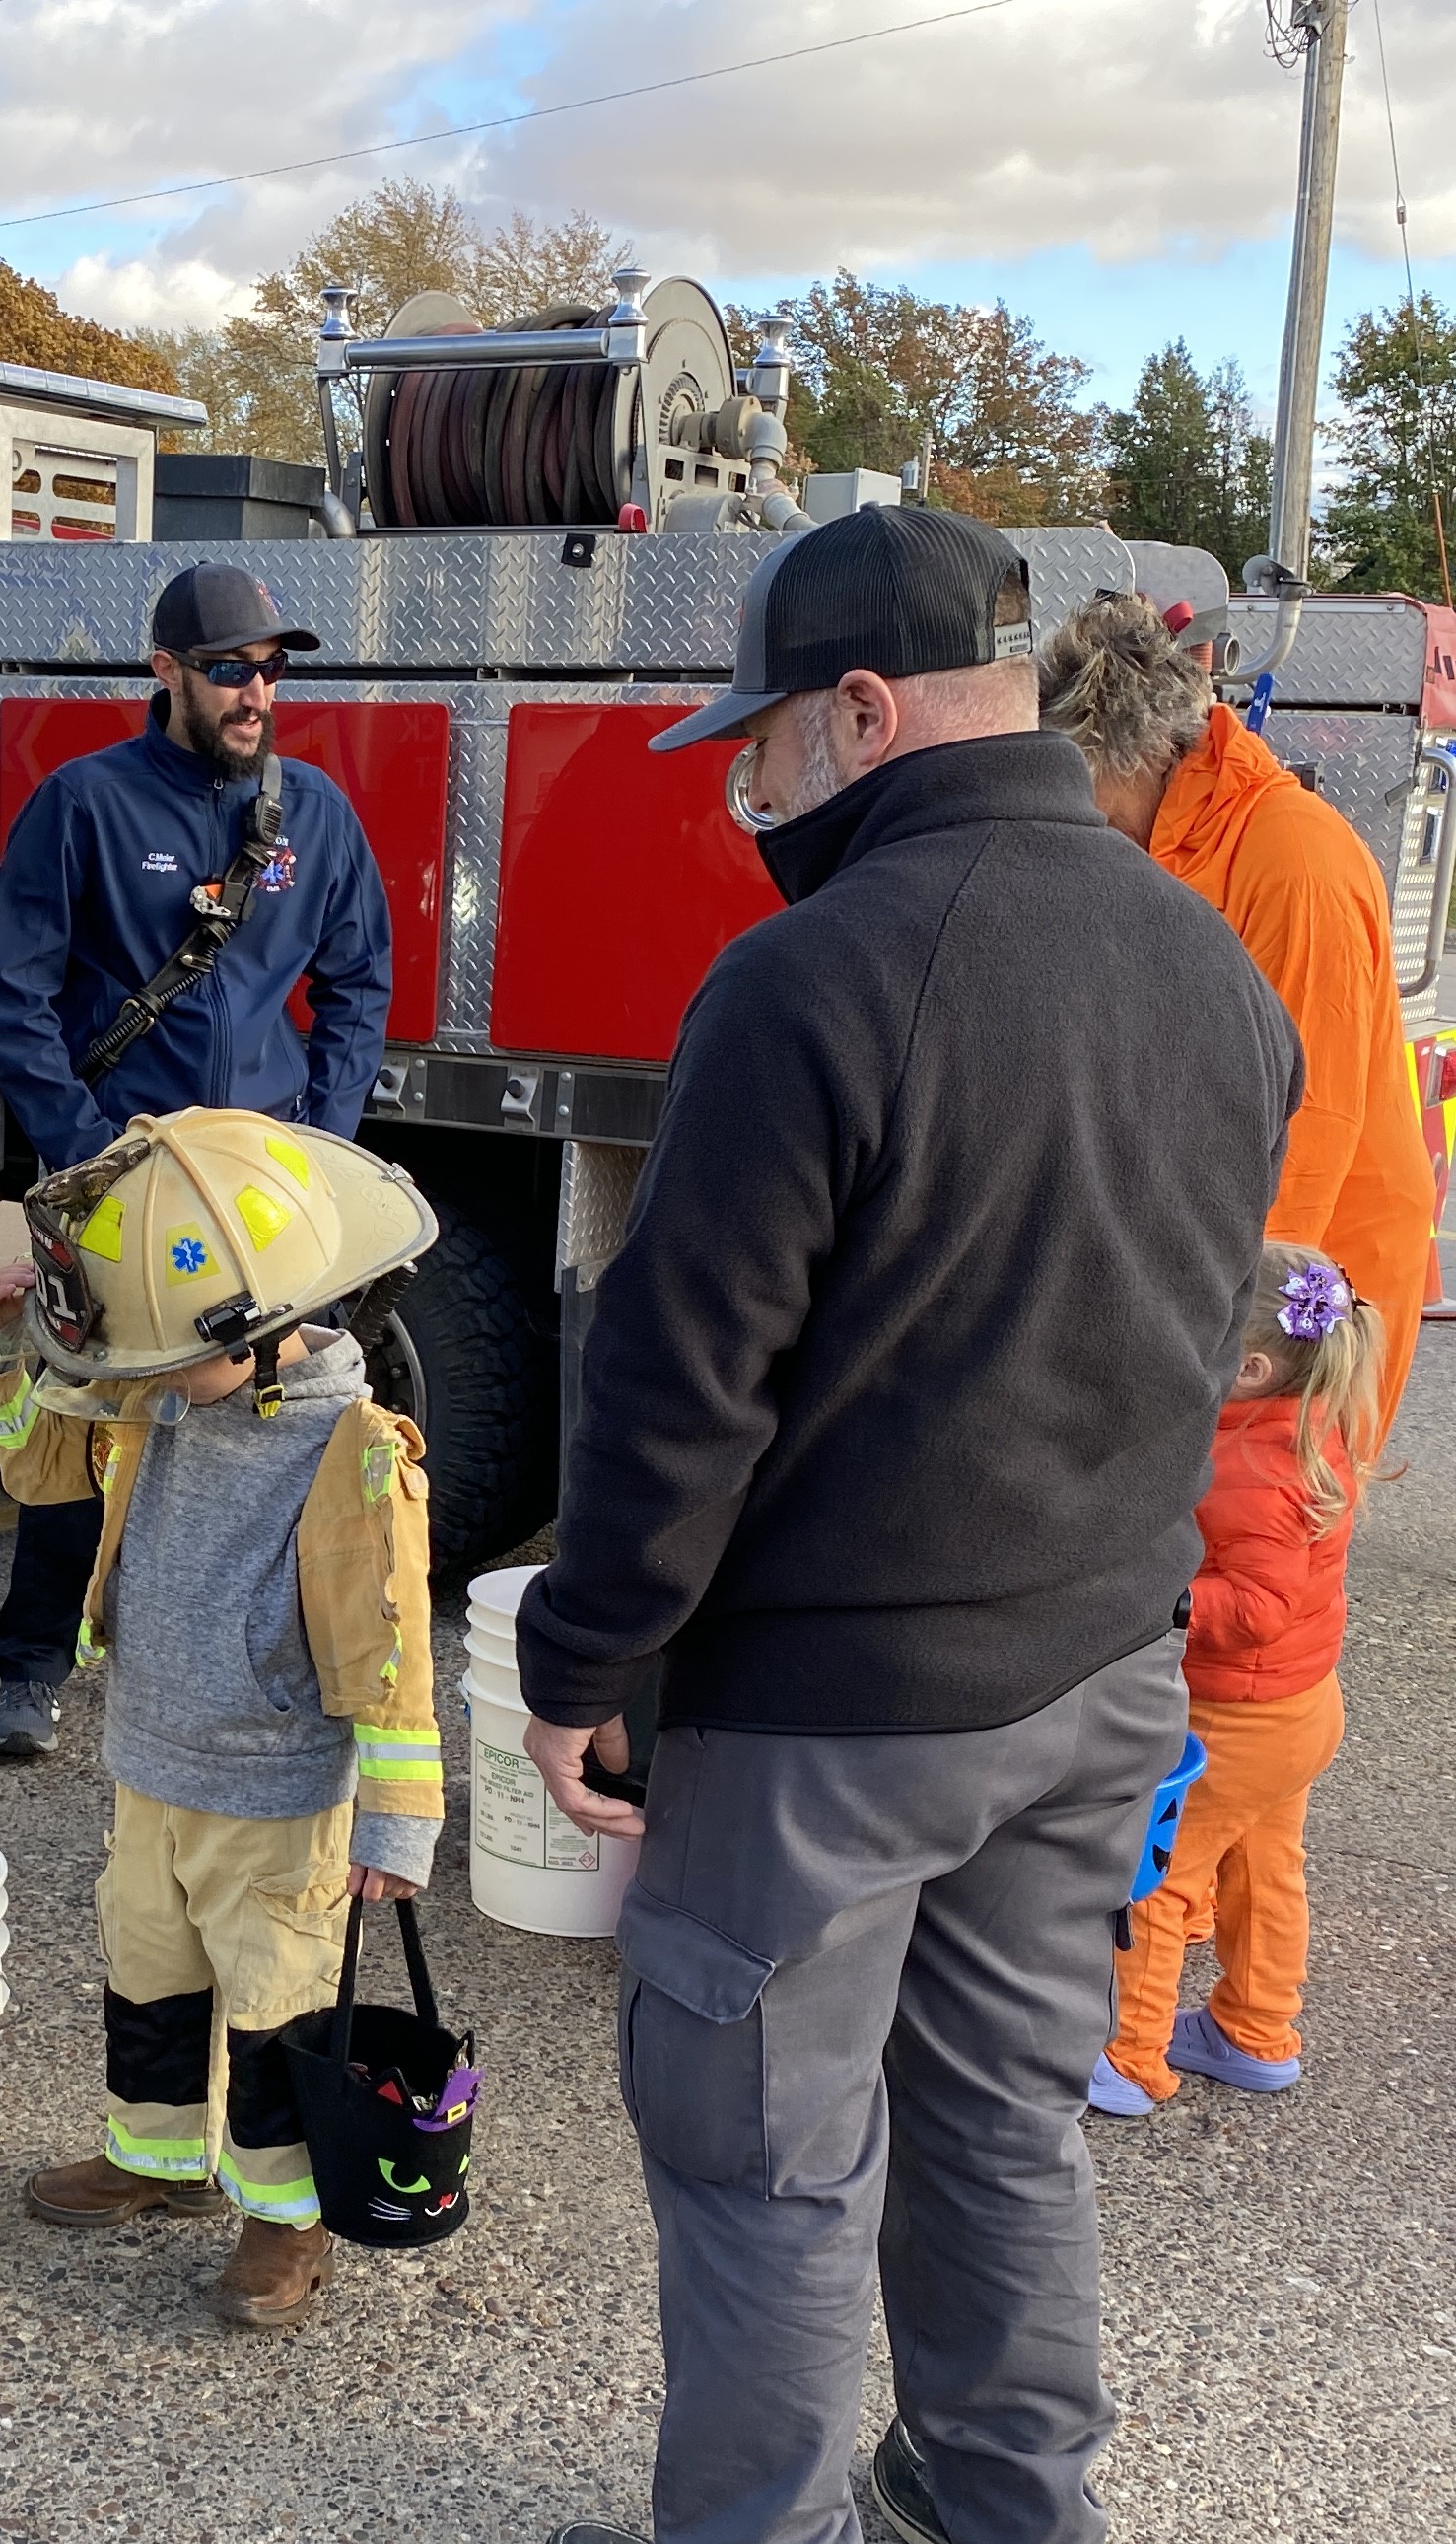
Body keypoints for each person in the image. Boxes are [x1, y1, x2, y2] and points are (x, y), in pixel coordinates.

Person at [511, 509, 1299, 2544]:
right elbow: (1213, 1326)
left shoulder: (801, 981)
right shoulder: (1209, 970)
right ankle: (994, 2505)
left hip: (824, 1729)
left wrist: (581, 1667)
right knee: (999, 2132)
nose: (748, 789)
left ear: (859, 713)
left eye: (762, 745)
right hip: (1093, 1681)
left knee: (766, 2167)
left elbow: (674, 1388)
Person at [0, 1109, 443, 2327]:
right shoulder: (155, 1402)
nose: (145, 1375)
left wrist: (395, 1826)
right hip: (150, 1769)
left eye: (169, 1355)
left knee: (276, 2013)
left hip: (275, 1799)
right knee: (149, 1979)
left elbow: (393, 1654)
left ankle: (285, 2221)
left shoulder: (353, 1451)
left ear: (262, 1335)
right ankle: (157, 2159)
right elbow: (31, 1464)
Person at [0, 562, 396, 1760]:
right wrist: (83, 1149)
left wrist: (322, 1145)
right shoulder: (83, 804)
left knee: (272, 1431)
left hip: (264, 1196)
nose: (253, 691)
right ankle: (33, 1666)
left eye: (269, 668)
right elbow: (12, 988)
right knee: (80, 1417)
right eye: (226, 669)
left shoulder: (312, 814)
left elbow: (357, 984)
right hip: (116, 1180)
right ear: (164, 671)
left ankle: (256, 1668)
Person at [1037, 592, 1434, 1430]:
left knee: (1265, 1540)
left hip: (1304, 1302)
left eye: (1074, 776)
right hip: (1232, 1280)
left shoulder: (1288, 860)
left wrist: (1247, 1355)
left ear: (1129, 753)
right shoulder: (1183, 846)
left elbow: (1307, 1131)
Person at [1092, 1242, 1382, 2119]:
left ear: (1249, 1366)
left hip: (1234, 1714)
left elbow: (1255, 1604)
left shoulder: (1253, 1470)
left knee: (1157, 1876)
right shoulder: (1297, 1427)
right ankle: (1254, 2032)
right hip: (1298, 1708)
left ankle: (1126, 2056)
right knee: (1265, 1866)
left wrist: (1158, 1594)